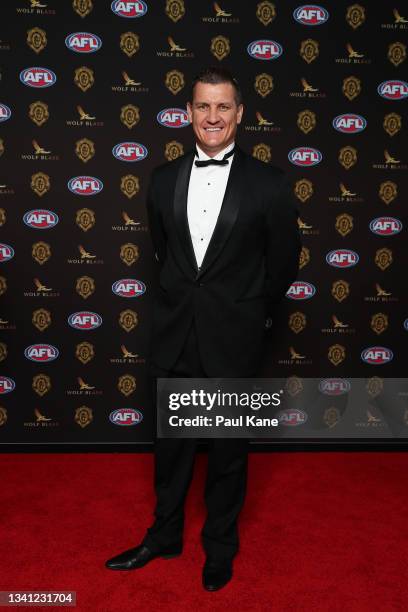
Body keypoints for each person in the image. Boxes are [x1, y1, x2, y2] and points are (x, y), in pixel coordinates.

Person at [106, 66, 301, 591]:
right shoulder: (163, 179)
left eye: (223, 107)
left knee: (229, 457)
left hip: (232, 338)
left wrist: (240, 308)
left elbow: (283, 266)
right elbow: (165, 253)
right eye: (202, 106)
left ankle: (219, 549)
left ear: (240, 114)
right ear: (188, 113)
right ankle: (164, 537)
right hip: (174, 335)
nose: (212, 117)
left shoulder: (270, 183)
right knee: (170, 452)